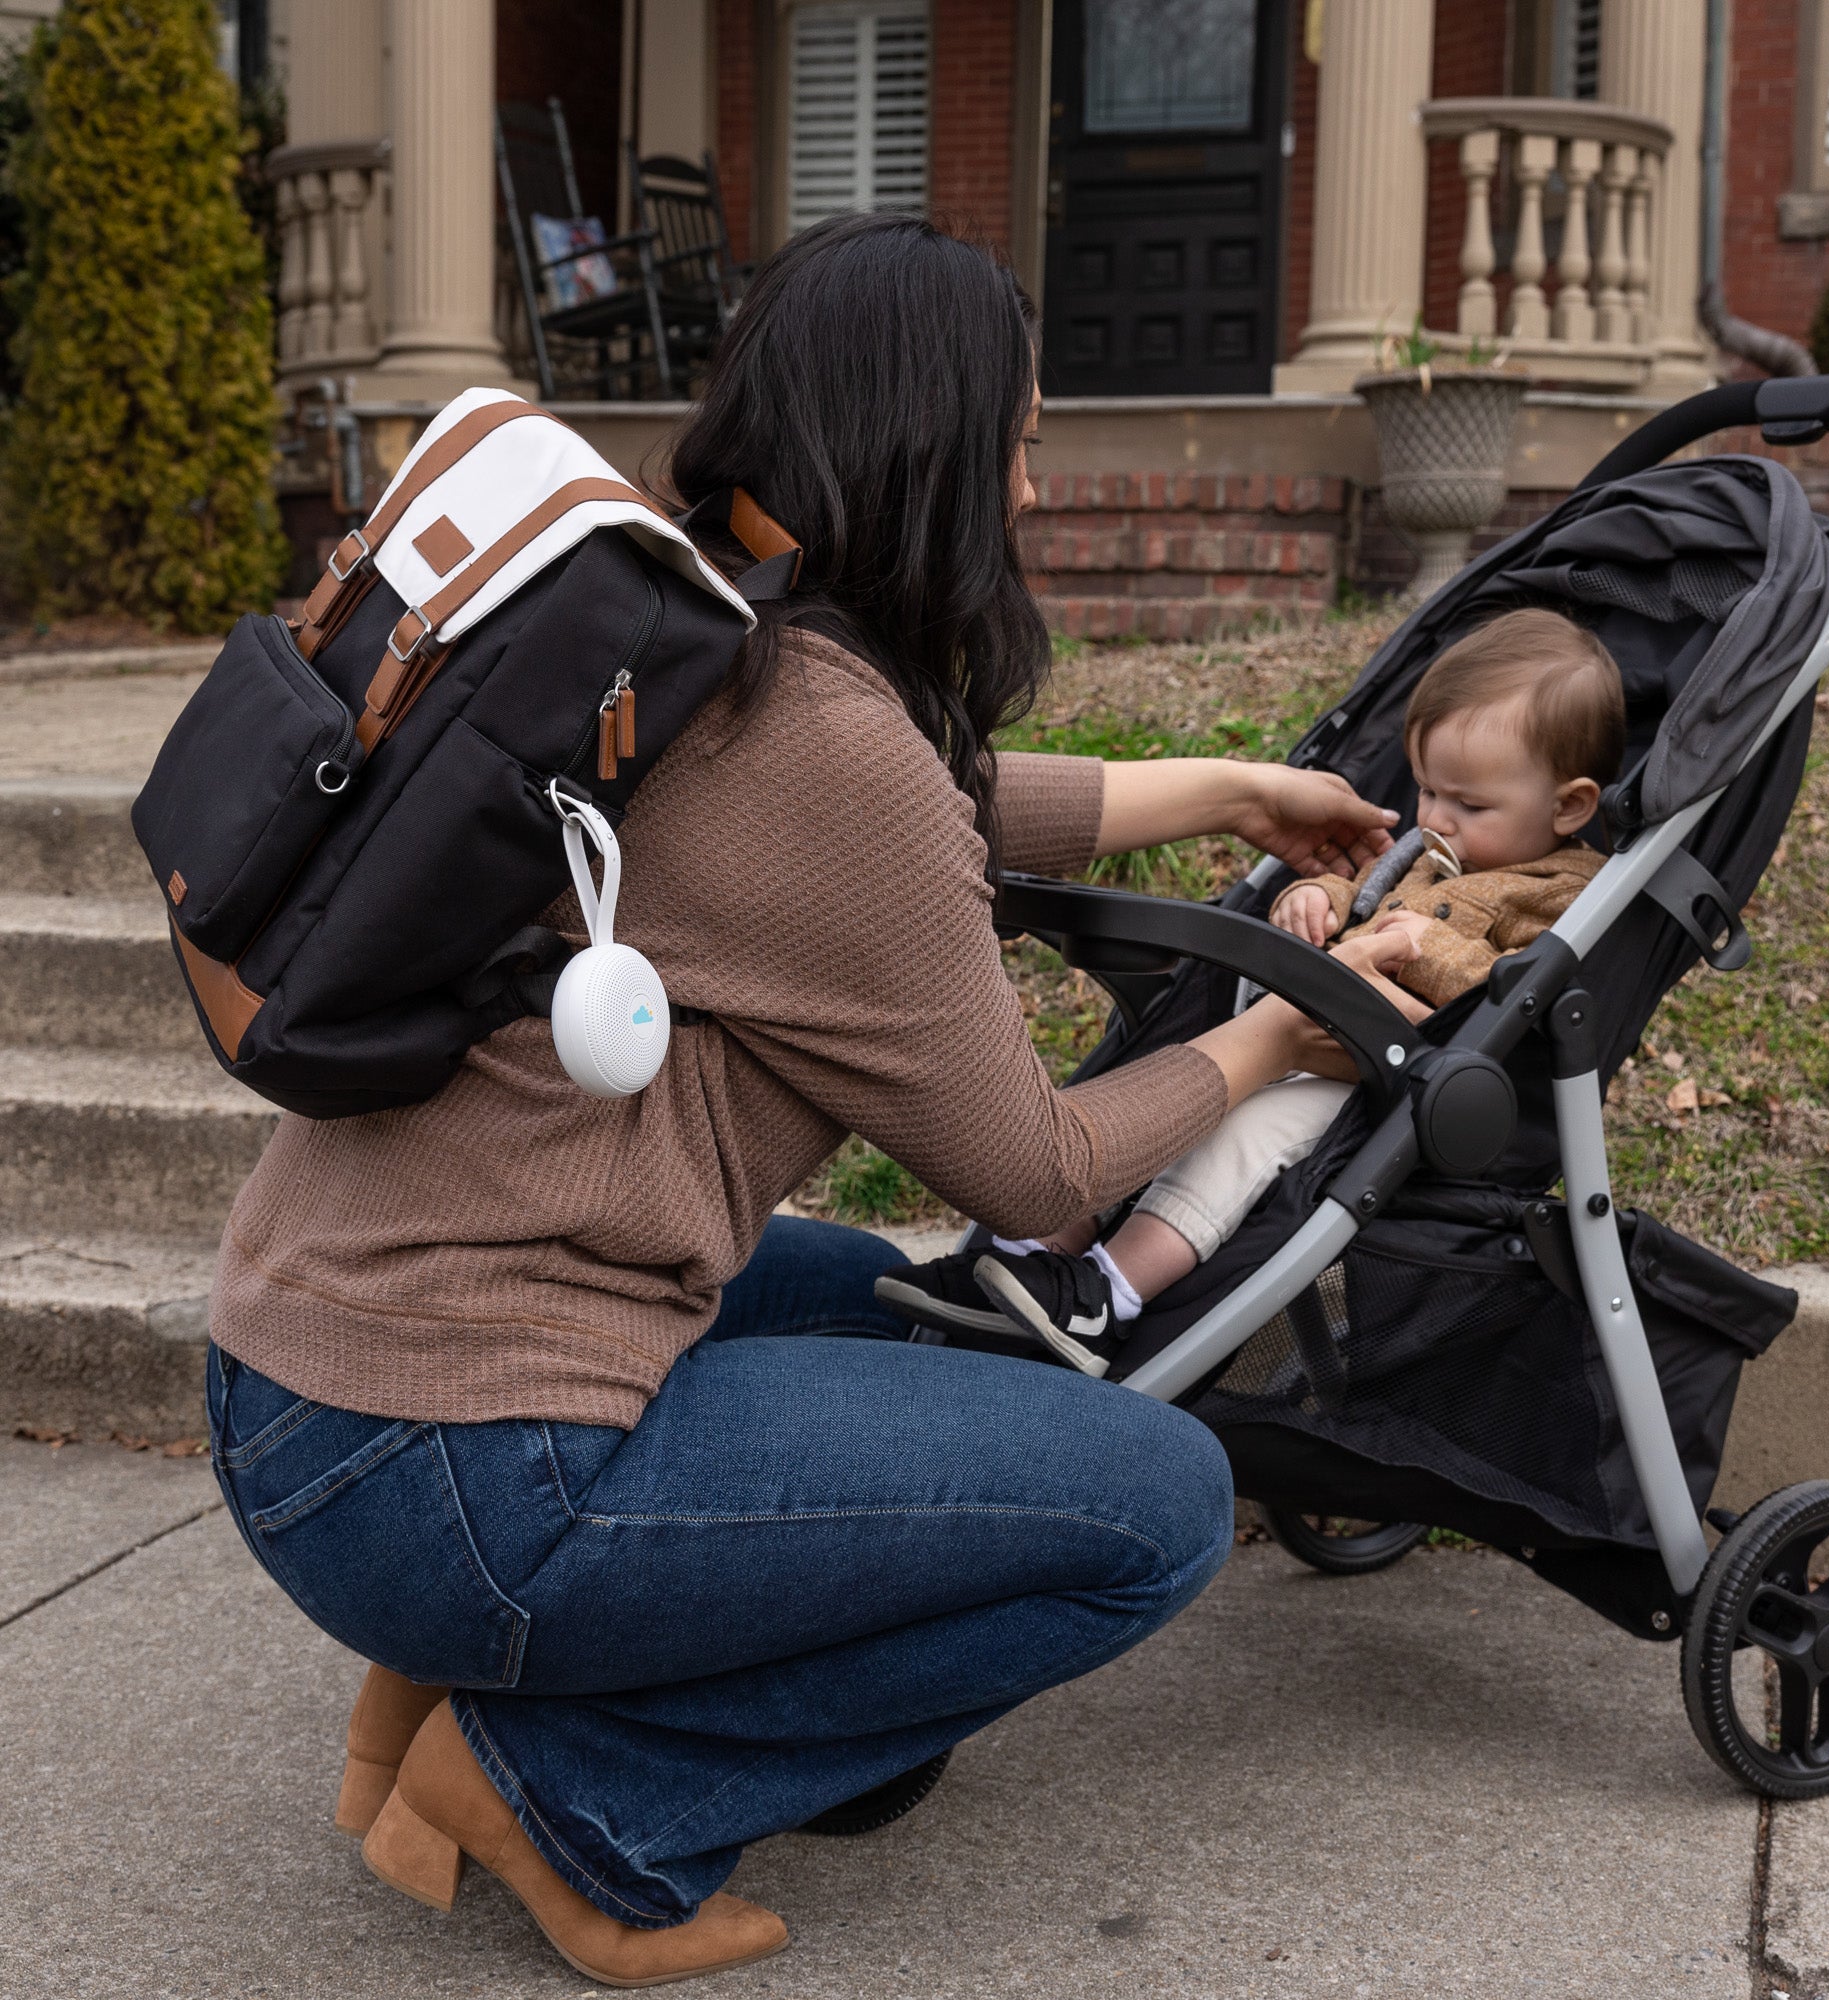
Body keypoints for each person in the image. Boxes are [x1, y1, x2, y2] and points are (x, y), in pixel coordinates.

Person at [200, 213, 1405, 1990]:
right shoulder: (828, 747)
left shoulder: (664, 631)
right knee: (1152, 1506)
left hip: (305, 1384)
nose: (1024, 488)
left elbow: (929, 803)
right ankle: (567, 1797)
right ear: (933, 456)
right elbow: (1041, 1172)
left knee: (901, 1308)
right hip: (455, 1471)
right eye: (1018, 446)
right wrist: (1277, 1042)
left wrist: (1220, 788)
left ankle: (418, 1723)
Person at [884, 607, 1624, 1376]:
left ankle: (1109, 1292)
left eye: (1468, 805)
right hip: (1307, 1029)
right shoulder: (1434, 856)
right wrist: (1318, 901)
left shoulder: (1564, 891)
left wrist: (1422, 945)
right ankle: (1029, 1255)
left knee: (1241, 1136)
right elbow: (1362, 899)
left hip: (1382, 1077)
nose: (1436, 817)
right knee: (1163, 1092)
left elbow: (1522, 990)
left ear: (1569, 806)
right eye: (1428, 790)